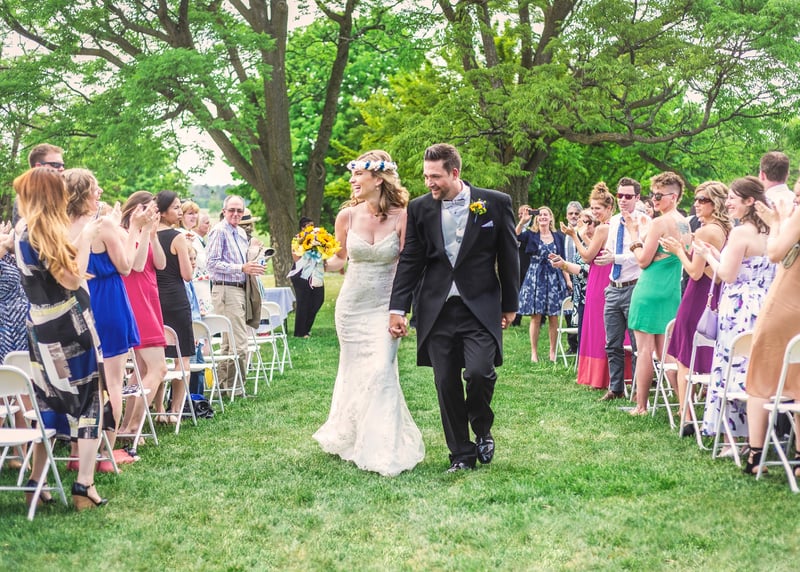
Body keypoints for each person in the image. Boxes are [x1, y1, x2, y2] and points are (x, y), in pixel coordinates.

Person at [389, 143, 519, 473]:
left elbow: (508, 256)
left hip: (480, 307)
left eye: (435, 176)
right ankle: (461, 454)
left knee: (479, 373)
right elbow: (411, 260)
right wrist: (398, 307)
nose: (429, 182)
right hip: (436, 309)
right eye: (426, 176)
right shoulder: (419, 208)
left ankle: (482, 428)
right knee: (445, 382)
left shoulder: (495, 203)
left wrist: (510, 305)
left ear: (455, 172)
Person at [313, 150, 424, 476]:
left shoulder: (403, 217)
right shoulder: (347, 217)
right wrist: (314, 258)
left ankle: (383, 447)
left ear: (378, 179)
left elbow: (407, 265)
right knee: (354, 371)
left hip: (385, 307)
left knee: (381, 370)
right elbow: (339, 259)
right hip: (351, 307)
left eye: (357, 175)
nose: (352, 181)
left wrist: (401, 309)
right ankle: (352, 435)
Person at [13, 167, 108, 510]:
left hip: (40, 326)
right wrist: (87, 236)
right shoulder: (44, 231)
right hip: (69, 325)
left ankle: (37, 483)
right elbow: (71, 278)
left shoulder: (24, 229)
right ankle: (84, 484)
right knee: (89, 402)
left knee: (49, 401)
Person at [64, 168, 142, 462]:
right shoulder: (103, 224)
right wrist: (134, 229)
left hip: (76, 304)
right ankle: (107, 454)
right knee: (113, 381)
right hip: (108, 301)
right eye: (95, 189)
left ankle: (77, 452)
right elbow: (126, 266)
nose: (100, 193)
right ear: (84, 193)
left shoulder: (59, 225)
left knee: (82, 383)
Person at [694, 176, 775, 455]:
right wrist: (717, 254)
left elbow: (728, 275)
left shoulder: (741, 233)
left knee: (733, 370)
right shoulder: (770, 232)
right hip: (764, 306)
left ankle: (733, 441)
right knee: (755, 372)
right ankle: (757, 437)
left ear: (749, 201)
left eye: (732, 198)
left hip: (739, 309)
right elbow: (746, 267)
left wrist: (707, 255)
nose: (727, 202)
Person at [661, 182, 730, 434]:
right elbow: (710, 267)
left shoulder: (706, 231)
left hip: (697, 296)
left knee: (684, 357)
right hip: (717, 295)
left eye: (703, 200)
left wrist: (678, 250)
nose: (697, 204)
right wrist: (688, 245)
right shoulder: (726, 229)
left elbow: (694, 271)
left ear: (716, 203)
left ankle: (686, 416)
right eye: (696, 199)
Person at [741, 181, 800, 473]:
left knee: (760, 380)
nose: (795, 199)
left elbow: (775, 253)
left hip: (784, 305)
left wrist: (777, 223)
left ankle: (755, 454)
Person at [627, 172, 690, 415]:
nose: (654, 199)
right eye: (652, 194)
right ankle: (683, 405)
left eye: (658, 195)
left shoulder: (660, 223)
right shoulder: (684, 223)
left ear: (673, 197)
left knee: (644, 350)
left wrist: (634, 236)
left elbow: (643, 260)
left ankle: (641, 406)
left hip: (650, 289)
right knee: (667, 354)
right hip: (671, 290)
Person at [117, 191, 168, 439]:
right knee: (159, 368)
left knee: (140, 368)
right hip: (137, 302)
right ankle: (133, 426)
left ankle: (125, 426)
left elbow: (161, 264)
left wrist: (153, 234)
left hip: (151, 298)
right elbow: (135, 266)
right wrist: (145, 230)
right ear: (136, 209)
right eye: (150, 209)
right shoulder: (125, 234)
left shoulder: (146, 232)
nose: (154, 214)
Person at [594, 177, 649, 401]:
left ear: (637, 197)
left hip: (634, 286)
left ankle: (637, 389)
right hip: (613, 286)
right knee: (612, 342)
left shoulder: (644, 222)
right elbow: (609, 250)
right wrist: (609, 256)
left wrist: (615, 258)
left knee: (636, 344)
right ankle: (615, 388)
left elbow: (642, 256)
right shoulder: (614, 221)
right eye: (620, 195)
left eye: (628, 196)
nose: (623, 200)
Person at [205, 194, 266, 394]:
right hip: (225, 288)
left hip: (241, 288)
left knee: (228, 343)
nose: (236, 214)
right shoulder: (219, 231)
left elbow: (244, 262)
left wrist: (255, 261)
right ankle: (235, 387)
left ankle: (224, 387)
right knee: (239, 343)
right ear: (224, 211)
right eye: (232, 210)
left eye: (239, 210)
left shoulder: (239, 232)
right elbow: (211, 263)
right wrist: (241, 268)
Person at [562, 183, 613, 390]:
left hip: (599, 278)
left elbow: (587, 256)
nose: (594, 212)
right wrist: (582, 236)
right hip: (603, 275)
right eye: (592, 208)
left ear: (609, 208)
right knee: (602, 326)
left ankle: (598, 376)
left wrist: (574, 235)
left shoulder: (602, 228)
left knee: (597, 327)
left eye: (597, 208)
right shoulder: (613, 226)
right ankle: (605, 375)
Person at [154, 190, 195, 420]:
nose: (180, 212)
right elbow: (187, 275)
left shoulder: (147, 235)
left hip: (154, 299)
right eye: (176, 208)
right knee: (182, 357)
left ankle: (159, 409)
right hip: (176, 299)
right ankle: (175, 410)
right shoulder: (177, 237)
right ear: (163, 212)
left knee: (157, 357)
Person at [516, 206, 567, 362]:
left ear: (551, 218)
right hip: (536, 277)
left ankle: (552, 352)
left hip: (554, 277)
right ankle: (534, 353)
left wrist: (568, 280)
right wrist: (522, 221)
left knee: (553, 316)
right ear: (537, 218)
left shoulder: (558, 236)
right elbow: (514, 235)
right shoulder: (531, 235)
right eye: (540, 215)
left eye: (546, 214)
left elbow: (563, 259)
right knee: (536, 316)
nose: (543, 217)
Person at [548, 209, 597, 350]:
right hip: (580, 295)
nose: (584, 225)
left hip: (593, 294)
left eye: (587, 222)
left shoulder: (599, 243)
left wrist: (564, 264)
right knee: (583, 337)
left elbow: (587, 270)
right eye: (582, 222)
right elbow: (578, 269)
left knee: (593, 338)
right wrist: (562, 264)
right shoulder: (583, 244)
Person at [290, 217, 326, 338]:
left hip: (316, 273)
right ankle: (300, 332)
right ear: (303, 228)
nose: (312, 228)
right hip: (301, 274)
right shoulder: (297, 239)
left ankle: (306, 328)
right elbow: (296, 258)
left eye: (313, 225)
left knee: (318, 299)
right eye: (309, 226)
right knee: (303, 302)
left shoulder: (319, 239)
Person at [563, 201, 583, 352]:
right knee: (568, 313)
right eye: (571, 213)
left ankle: (582, 344)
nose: (574, 216)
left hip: (581, 276)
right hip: (565, 275)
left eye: (576, 213)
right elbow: (562, 258)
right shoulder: (561, 234)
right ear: (566, 216)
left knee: (580, 312)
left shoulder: (584, 233)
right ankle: (572, 345)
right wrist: (568, 280)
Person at [510, 204, 533, 327]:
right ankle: (516, 319)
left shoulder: (535, 227)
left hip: (530, 262)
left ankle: (540, 318)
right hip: (518, 262)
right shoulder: (517, 226)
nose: (521, 215)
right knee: (517, 289)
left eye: (524, 212)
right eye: (519, 213)